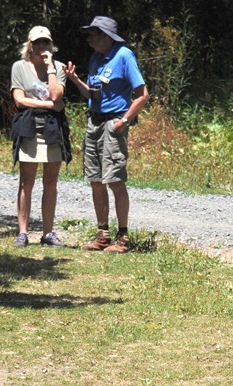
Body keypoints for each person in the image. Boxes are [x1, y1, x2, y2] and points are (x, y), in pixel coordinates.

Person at [64, 16, 149, 253]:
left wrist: (123, 122)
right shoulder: (96, 58)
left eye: (94, 34)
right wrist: (75, 80)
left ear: (107, 36)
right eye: (89, 34)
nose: (90, 38)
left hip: (113, 124)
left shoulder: (124, 56)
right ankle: (103, 234)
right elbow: (91, 94)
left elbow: (142, 94)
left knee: (115, 179)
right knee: (95, 180)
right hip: (94, 123)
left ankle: (122, 238)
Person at [10, 26, 71, 247]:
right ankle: (23, 232)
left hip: (53, 128)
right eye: (38, 43)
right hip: (29, 127)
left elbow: (57, 94)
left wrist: (51, 68)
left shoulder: (59, 68)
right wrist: (48, 105)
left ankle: (48, 233)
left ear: (51, 45)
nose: (42, 47)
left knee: (51, 183)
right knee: (27, 182)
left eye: (46, 43)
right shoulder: (19, 67)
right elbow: (19, 100)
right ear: (30, 45)